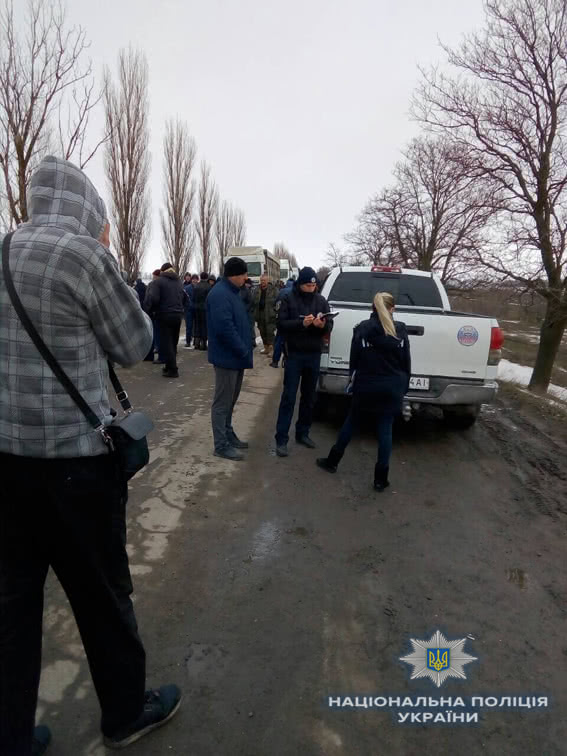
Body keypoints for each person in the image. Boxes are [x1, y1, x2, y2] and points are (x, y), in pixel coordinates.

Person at [0, 155, 182, 756]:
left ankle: (12, 737)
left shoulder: (2, 250)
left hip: (6, 464)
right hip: (76, 467)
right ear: (87, 208)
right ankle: (125, 715)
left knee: (12, 608)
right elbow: (135, 345)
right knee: (102, 596)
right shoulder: (84, 255)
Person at [316, 292, 411, 491]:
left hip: (367, 385)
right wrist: (403, 386)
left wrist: (353, 382)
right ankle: (380, 479)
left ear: (372, 308)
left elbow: (355, 361)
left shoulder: (362, 330)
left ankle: (333, 461)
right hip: (392, 386)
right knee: (385, 430)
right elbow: (405, 363)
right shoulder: (401, 331)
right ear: (393, 309)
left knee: (351, 423)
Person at [274, 267, 333, 457]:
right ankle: (281, 439)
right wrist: (302, 323)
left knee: (309, 397)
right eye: (308, 285)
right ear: (300, 284)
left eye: (314, 285)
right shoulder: (288, 299)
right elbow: (281, 324)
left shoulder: (321, 301)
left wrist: (322, 325)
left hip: (314, 354)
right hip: (294, 354)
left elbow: (329, 324)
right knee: (289, 397)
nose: (311, 288)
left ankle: (303, 433)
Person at [206, 258, 253, 460]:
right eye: (243, 274)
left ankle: (227, 432)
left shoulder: (233, 292)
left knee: (230, 400)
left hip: (236, 357)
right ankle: (221, 445)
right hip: (227, 357)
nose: (246, 278)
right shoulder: (219, 294)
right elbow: (224, 327)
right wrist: (242, 349)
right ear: (234, 275)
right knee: (222, 403)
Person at [143, 262, 186, 378]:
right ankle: (168, 366)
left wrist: (148, 311)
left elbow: (153, 298)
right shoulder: (179, 282)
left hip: (164, 315)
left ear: (162, 271)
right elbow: (184, 297)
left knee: (166, 343)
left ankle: (173, 370)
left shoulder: (158, 282)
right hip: (177, 315)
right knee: (173, 342)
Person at [270, 278, 295, 368]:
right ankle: (287, 359)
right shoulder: (296, 292)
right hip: (293, 322)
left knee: (279, 341)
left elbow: (275, 305)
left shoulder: (282, 292)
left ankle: (275, 361)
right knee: (291, 342)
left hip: (282, 321)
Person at [253, 273, 278, 357]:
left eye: (264, 280)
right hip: (260, 314)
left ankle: (272, 350)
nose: (262, 282)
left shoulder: (273, 289)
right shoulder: (256, 289)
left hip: (270, 314)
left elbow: (278, 302)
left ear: (267, 280)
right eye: (261, 280)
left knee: (270, 332)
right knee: (262, 332)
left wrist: (275, 311)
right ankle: (266, 348)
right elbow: (253, 301)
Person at [192, 272, 211, 350]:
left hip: (196, 308)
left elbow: (193, 298)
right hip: (205, 308)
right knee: (204, 325)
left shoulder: (196, 286)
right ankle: (203, 344)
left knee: (197, 324)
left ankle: (196, 343)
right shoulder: (208, 286)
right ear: (207, 277)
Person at [239, 277, 256, 349]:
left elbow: (251, 302)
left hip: (248, 313)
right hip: (240, 313)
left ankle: (252, 342)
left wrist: (245, 309)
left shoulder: (246, 290)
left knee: (250, 327)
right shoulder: (237, 290)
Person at [182, 273, 195, 348]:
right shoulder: (183, 285)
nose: (187, 278)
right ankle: (188, 340)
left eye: (189, 277)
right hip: (187, 308)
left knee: (193, 325)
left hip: (192, 308)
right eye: (186, 277)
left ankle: (191, 339)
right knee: (188, 325)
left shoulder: (194, 286)